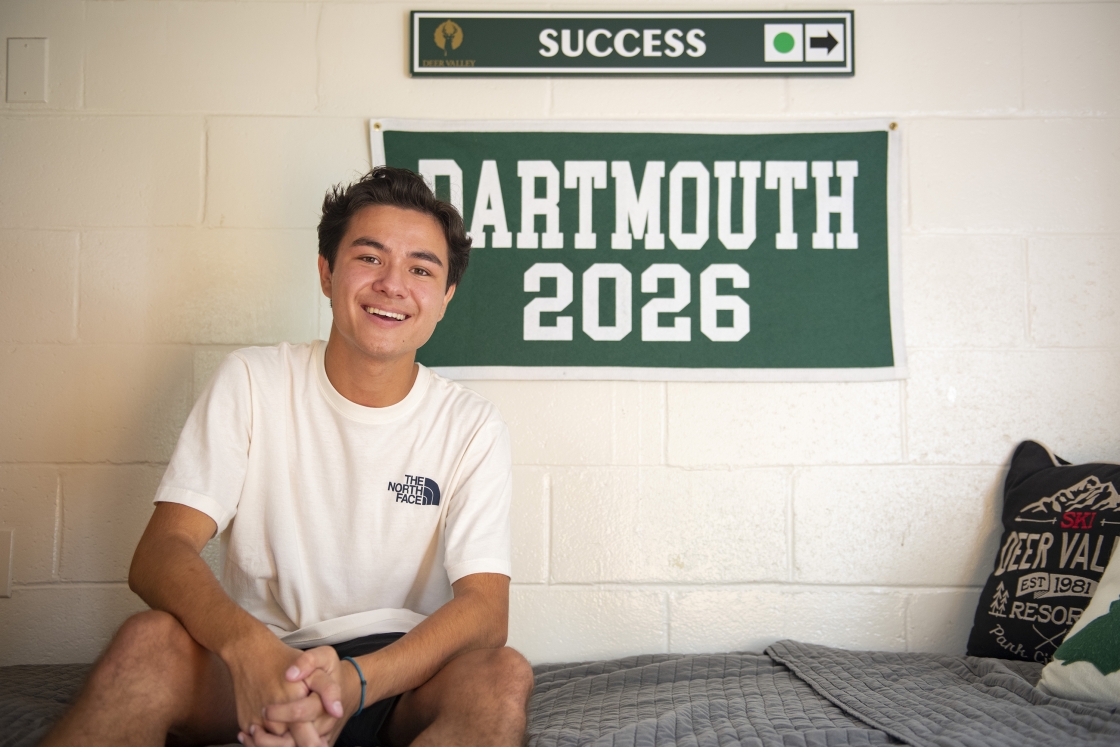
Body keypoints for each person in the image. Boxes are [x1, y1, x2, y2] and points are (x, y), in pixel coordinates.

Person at [42, 167, 534, 747]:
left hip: (397, 676)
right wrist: (254, 656)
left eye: (421, 269)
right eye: (370, 258)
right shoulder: (253, 380)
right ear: (327, 273)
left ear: (445, 298)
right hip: (262, 655)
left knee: (504, 675)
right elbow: (159, 554)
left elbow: (485, 611)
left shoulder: (471, 424)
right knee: (146, 641)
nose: (393, 284)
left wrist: (355, 682)